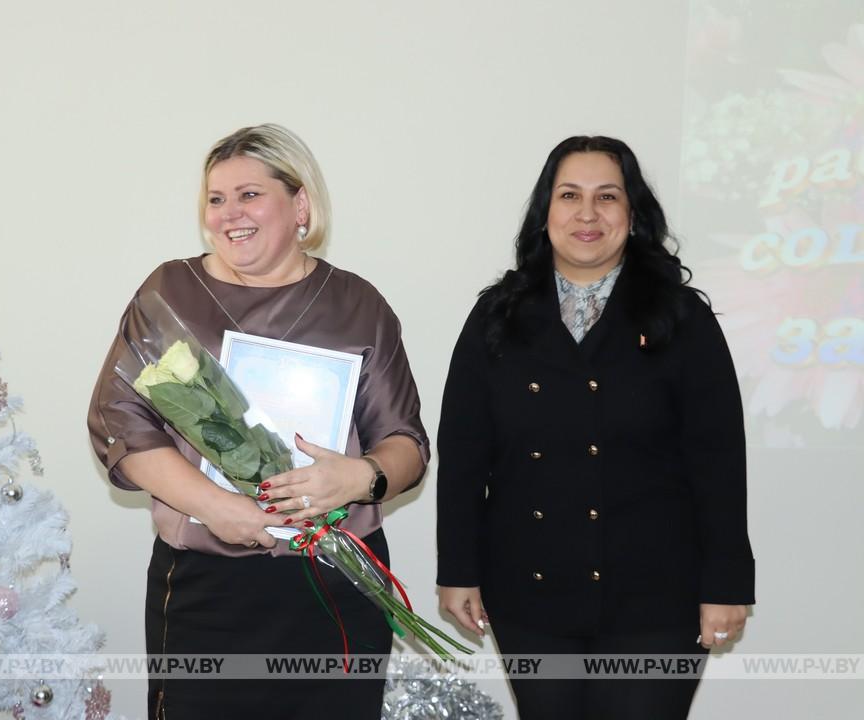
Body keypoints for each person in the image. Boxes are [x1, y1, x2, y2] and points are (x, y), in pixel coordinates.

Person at [88, 124, 428, 719]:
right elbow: (119, 422)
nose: (229, 214)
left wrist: (359, 478)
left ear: (301, 205)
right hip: (205, 589)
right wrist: (217, 507)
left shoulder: (359, 305)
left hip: (338, 584)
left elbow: (407, 442)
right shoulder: (170, 291)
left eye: (249, 195)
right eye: (216, 199)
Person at [436, 136, 755, 719]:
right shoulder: (497, 315)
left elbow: (718, 460)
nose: (588, 214)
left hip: (658, 594)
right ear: (546, 213)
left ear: (633, 214)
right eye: (570, 196)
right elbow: (462, 455)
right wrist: (457, 570)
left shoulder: (682, 317)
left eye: (607, 196)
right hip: (530, 588)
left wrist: (727, 584)